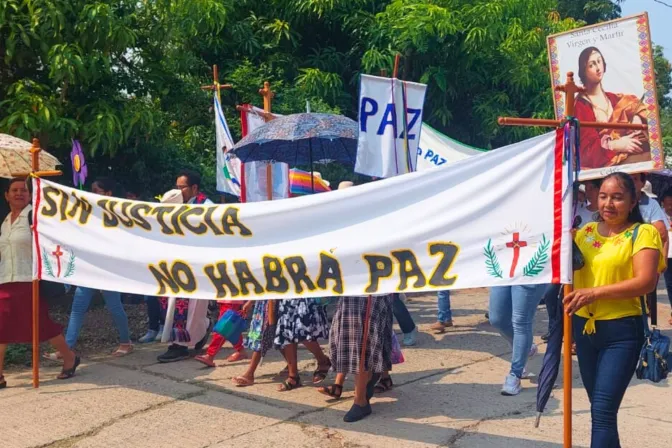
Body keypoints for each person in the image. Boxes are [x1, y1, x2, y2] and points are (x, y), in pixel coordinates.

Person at [564, 172, 664, 447]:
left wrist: (594, 293)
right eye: (604, 196)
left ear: (633, 201)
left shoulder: (642, 233)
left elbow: (645, 282)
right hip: (584, 331)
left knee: (603, 412)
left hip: (621, 332)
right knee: (599, 409)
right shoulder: (583, 234)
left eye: (618, 197)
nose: (609, 203)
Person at [0, 178, 80, 387]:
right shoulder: (6, 220)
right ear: (6, 195)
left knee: (40, 325)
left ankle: (69, 357)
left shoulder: (34, 216)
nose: (19, 193)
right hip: (5, 279)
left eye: (23, 190)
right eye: (14, 190)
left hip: (29, 280)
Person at [46, 177, 132, 360]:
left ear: (108, 194)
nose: (91, 194)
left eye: (96, 191)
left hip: (108, 269)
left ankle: (126, 342)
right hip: (88, 269)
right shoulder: (86, 214)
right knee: (78, 306)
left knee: (114, 306)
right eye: (91, 190)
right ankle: (67, 347)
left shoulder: (115, 215)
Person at [157, 180, 213, 362]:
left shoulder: (207, 206)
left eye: (182, 187)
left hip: (197, 265)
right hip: (176, 265)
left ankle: (180, 345)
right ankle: (196, 332)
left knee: (194, 308)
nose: (178, 190)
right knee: (173, 305)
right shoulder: (175, 204)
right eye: (177, 186)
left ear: (195, 187)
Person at [574, 46, 650, 169]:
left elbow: (635, 105)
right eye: (592, 65)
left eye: (599, 61)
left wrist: (636, 117)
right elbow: (586, 153)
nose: (598, 68)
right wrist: (616, 145)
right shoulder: (580, 106)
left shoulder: (613, 98)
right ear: (584, 71)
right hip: (604, 166)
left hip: (630, 153)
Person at [138, 190, 184, 344]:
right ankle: (154, 328)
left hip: (177, 266)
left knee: (173, 301)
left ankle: (167, 328)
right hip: (158, 264)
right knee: (152, 297)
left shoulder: (185, 219)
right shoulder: (158, 220)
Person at [489, 284, 544, 396]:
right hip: (503, 272)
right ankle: (525, 349)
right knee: (497, 320)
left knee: (521, 321)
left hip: (530, 274)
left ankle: (515, 374)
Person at [632, 173, 669, 324]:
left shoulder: (651, 204)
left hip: (643, 260)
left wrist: (662, 262)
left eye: (635, 179)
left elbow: (662, 234)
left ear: (643, 182)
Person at [272, 298, 331, 391]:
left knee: (305, 333)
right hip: (287, 295)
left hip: (305, 294)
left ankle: (323, 361)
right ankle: (293, 376)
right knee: (287, 332)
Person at [194, 298, 248, 367]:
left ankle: (210, 355)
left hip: (231, 298)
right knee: (230, 327)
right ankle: (241, 351)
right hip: (226, 298)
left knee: (223, 328)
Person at [660, 189, 672, 325]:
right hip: (667, 255)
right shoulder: (660, 216)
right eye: (667, 204)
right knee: (670, 285)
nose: (670, 207)